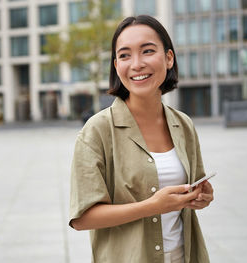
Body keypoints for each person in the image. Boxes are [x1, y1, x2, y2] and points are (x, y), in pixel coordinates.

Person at [69, 15, 214, 263]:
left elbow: (191, 191)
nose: (137, 64)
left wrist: (200, 197)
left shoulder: (184, 125)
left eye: (147, 51)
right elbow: (82, 218)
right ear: (116, 66)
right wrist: (152, 206)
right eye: (125, 55)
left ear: (169, 58)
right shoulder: (98, 130)